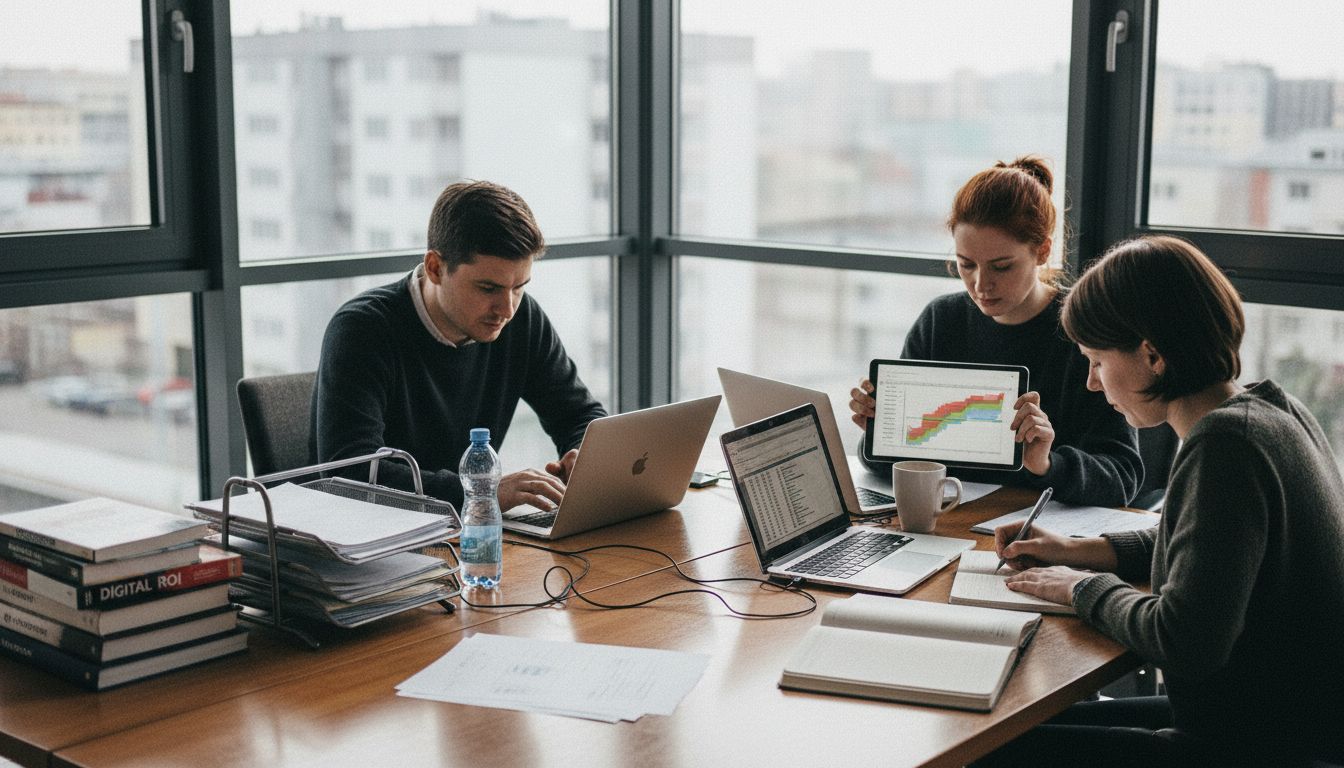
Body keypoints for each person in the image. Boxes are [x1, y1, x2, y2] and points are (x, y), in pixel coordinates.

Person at [975, 235, 1344, 767]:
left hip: (1252, 745)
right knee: (1012, 727)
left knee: (988, 750)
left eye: (1097, 361)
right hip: (1276, 722)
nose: (1092, 383)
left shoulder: (1224, 445)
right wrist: (1078, 550)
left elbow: (1183, 640)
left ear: (1152, 355)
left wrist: (1081, 588)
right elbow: (1212, 550)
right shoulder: (1272, 409)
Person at [848, 156, 1140, 506]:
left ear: (1043, 251)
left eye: (1001, 267)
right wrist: (879, 433)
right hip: (951, 520)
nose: (981, 284)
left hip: (1038, 528)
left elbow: (1123, 478)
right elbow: (891, 465)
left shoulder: (1084, 332)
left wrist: (1048, 464)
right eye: (966, 265)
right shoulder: (941, 321)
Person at [312, 180, 607, 511]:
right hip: (372, 532)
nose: (507, 309)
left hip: (469, 528)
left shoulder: (522, 318)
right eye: (488, 288)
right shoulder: (362, 329)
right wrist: (481, 491)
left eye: (519, 287)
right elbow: (349, 474)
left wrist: (582, 454)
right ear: (435, 268)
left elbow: (580, 415)